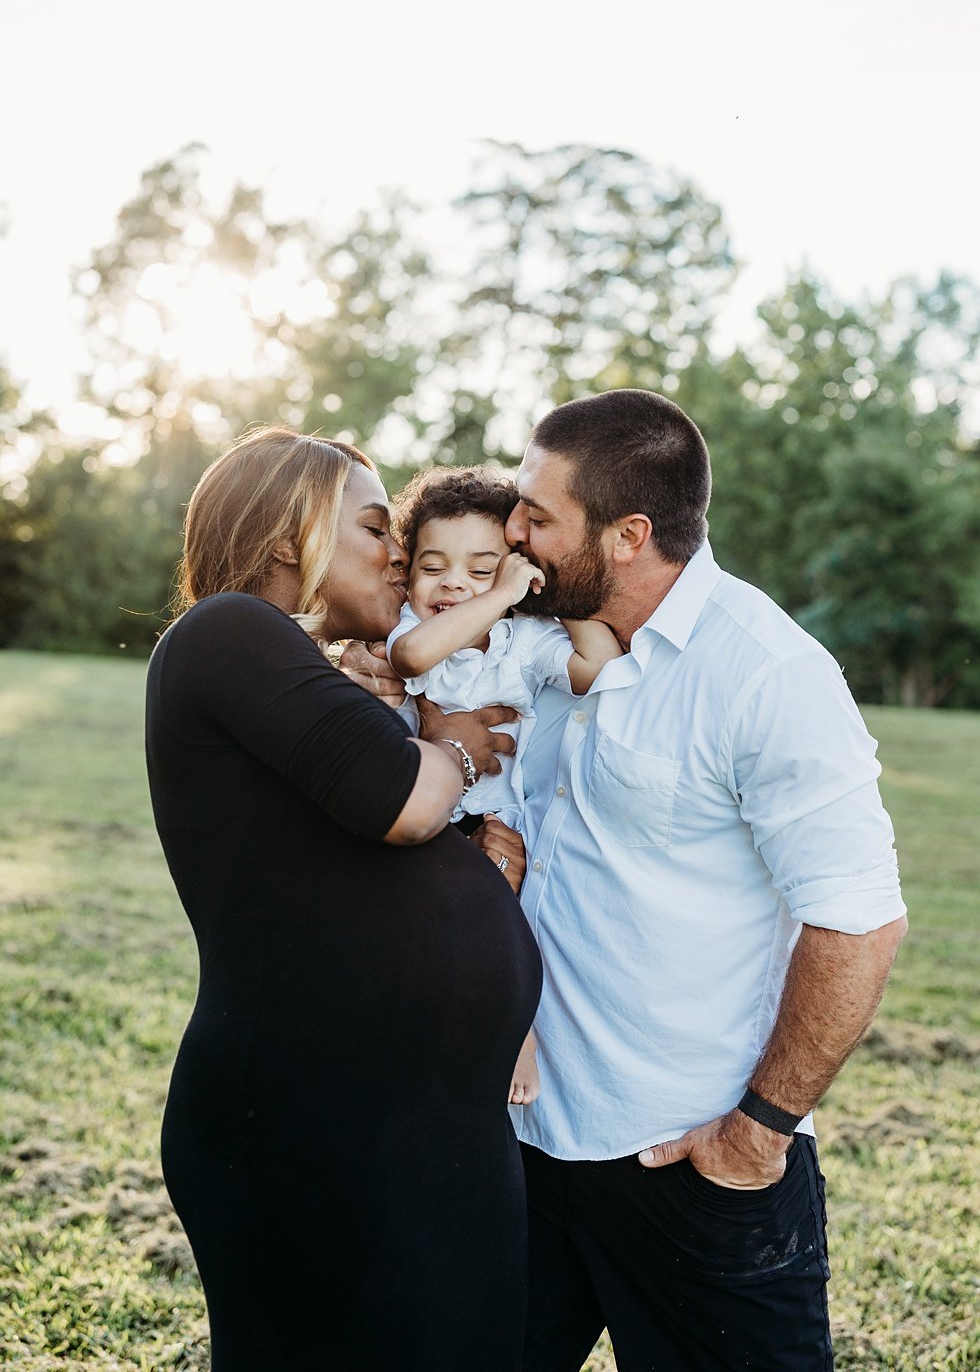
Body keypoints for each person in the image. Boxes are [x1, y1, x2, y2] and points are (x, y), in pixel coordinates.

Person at [498, 389, 908, 1372]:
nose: (512, 531)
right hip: (521, 1151)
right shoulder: (540, 647)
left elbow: (856, 923)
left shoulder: (766, 673)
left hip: (687, 1169)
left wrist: (755, 1132)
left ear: (628, 534)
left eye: (536, 515)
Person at [144, 426, 541, 1372]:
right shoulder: (227, 629)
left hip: (420, 1123)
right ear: (290, 536)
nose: (398, 558)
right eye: (374, 529)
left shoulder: (323, 673)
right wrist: (455, 754)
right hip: (313, 1124)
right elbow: (402, 805)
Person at [386, 464, 622, 1103]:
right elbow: (412, 660)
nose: (454, 583)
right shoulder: (410, 629)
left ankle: (517, 1036)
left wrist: (553, 594)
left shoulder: (523, 643)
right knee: (420, 943)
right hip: (415, 815)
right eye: (433, 567)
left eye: (481, 570)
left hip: (494, 821)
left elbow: (596, 667)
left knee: (499, 931)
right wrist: (496, 593)